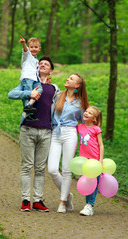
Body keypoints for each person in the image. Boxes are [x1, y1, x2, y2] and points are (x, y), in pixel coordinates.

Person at [8, 57, 59, 212]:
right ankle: (25, 200)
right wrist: (28, 93)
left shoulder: (54, 89)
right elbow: (11, 94)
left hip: (46, 132)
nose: (42, 65)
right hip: (28, 129)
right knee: (27, 166)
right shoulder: (28, 83)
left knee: (40, 168)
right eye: (40, 63)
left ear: (50, 71)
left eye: (46, 64)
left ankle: (37, 200)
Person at [47, 73, 89, 213]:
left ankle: (62, 201)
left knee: (66, 169)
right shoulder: (58, 96)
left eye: (71, 79)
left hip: (70, 134)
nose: (67, 79)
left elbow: (85, 123)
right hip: (55, 132)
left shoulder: (81, 103)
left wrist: (89, 141)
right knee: (52, 169)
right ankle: (68, 195)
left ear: (77, 85)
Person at [77, 106, 104, 216]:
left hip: (94, 160)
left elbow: (101, 145)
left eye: (90, 113)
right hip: (83, 159)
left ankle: (90, 205)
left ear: (94, 119)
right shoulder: (79, 127)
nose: (87, 113)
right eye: (86, 111)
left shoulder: (96, 129)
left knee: (94, 182)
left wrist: (100, 161)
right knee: (88, 182)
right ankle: (87, 205)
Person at [18, 35, 43, 121]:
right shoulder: (27, 55)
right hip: (27, 78)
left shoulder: (36, 60)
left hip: (35, 79)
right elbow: (25, 50)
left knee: (40, 89)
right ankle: (28, 112)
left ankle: (29, 105)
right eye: (31, 47)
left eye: (36, 47)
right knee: (28, 92)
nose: (33, 49)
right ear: (29, 48)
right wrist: (24, 44)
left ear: (39, 48)